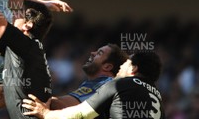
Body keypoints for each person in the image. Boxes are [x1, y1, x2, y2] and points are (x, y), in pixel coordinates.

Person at [22, 51, 165, 119]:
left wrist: (46, 114)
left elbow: (80, 113)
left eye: (126, 63)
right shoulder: (157, 98)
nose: (121, 65)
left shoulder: (118, 84)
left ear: (133, 68)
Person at [51, 44, 127, 111]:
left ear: (107, 67)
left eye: (99, 53)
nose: (92, 53)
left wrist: (41, 97)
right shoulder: (100, 83)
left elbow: (62, 105)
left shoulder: (104, 84)